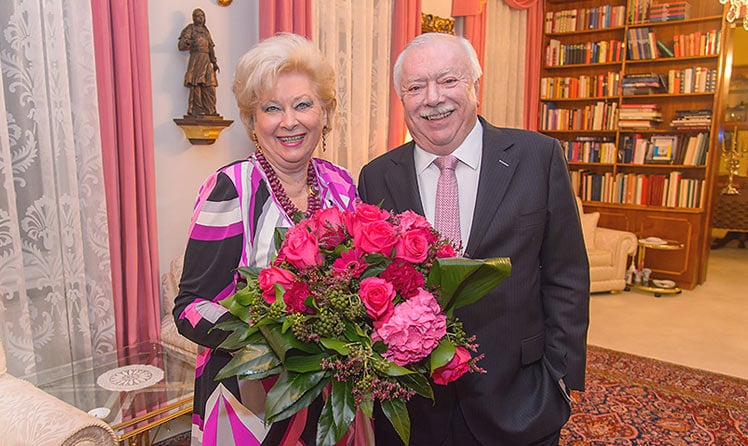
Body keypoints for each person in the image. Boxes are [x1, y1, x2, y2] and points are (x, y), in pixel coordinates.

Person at [358, 32, 590, 445]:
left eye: (448, 80)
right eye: (415, 87)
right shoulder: (376, 175)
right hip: (414, 409)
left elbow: (567, 274)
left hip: (519, 399)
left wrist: (560, 379)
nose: (432, 98)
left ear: (475, 87)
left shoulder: (538, 157)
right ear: (402, 98)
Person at [173, 33, 358, 446]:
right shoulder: (231, 188)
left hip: (331, 396)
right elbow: (189, 309)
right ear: (253, 121)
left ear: (325, 113)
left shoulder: (342, 185)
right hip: (249, 400)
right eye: (272, 108)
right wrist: (276, 339)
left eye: (303, 104)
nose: (289, 121)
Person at [178, 8, 219, 117]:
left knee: (210, 85)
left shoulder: (205, 30)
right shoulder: (190, 29)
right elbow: (181, 45)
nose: (200, 18)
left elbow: (210, 47)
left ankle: (210, 110)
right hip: (196, 59)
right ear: (193, 18)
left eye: (202, 16)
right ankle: (197, 108)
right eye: (197, 16)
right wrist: (189, 42)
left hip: (206, 59)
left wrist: (214, 62)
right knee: (197, 84)